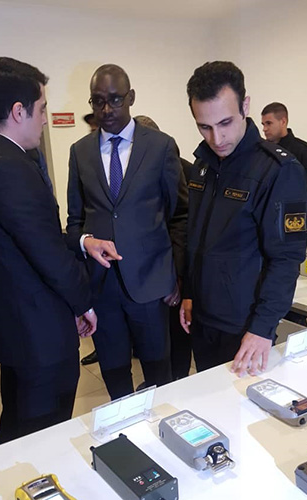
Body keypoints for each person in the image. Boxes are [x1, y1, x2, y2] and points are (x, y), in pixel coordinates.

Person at [0, 57, 97, 444]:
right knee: (42, 435)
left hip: (14, 328)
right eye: (43, 109)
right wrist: (83, 302)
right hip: (40, 336)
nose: (46, 119)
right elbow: (47, 252)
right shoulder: (9, 167)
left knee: (16, 424)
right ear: (19, 111)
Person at [65, 65, 186, 400]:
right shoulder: (80, 152)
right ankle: (125, 437)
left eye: (115, 100)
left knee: (159, 373)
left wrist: (175, 275)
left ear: (130, 98)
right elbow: (74, 222)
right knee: (115, 374)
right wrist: (84, 241)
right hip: (102, 288)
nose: (106, 110)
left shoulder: (161, 147)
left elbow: (180, 216)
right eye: (98, 101)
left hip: (151, 285)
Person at [179, 61, 307, 377]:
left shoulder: (278, 170)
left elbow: (287, 258)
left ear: (245, 106)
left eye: (225, 122)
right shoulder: (203, 165)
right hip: (203, 317)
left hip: (245, 324)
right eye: (204, 127)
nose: (217, 138)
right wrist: (190, 293)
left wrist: (262, 328)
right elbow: (196, 239)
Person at [133, 114, 195, 381]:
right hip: (148, 272)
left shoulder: (188, 171)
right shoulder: (133, 175)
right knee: (155, 338)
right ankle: (158, 381)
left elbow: (185, 225)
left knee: (178, 335)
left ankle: (176, 383)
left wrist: (179, 276)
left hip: (177, 269)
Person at [261, 102, 307, 222]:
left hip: (294, 221)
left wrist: (298, 209)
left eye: (269, 123)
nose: (264, 129)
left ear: (283, 122)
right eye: (263, 124)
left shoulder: (305, 152)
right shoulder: (261, 152)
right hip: (264, 220)